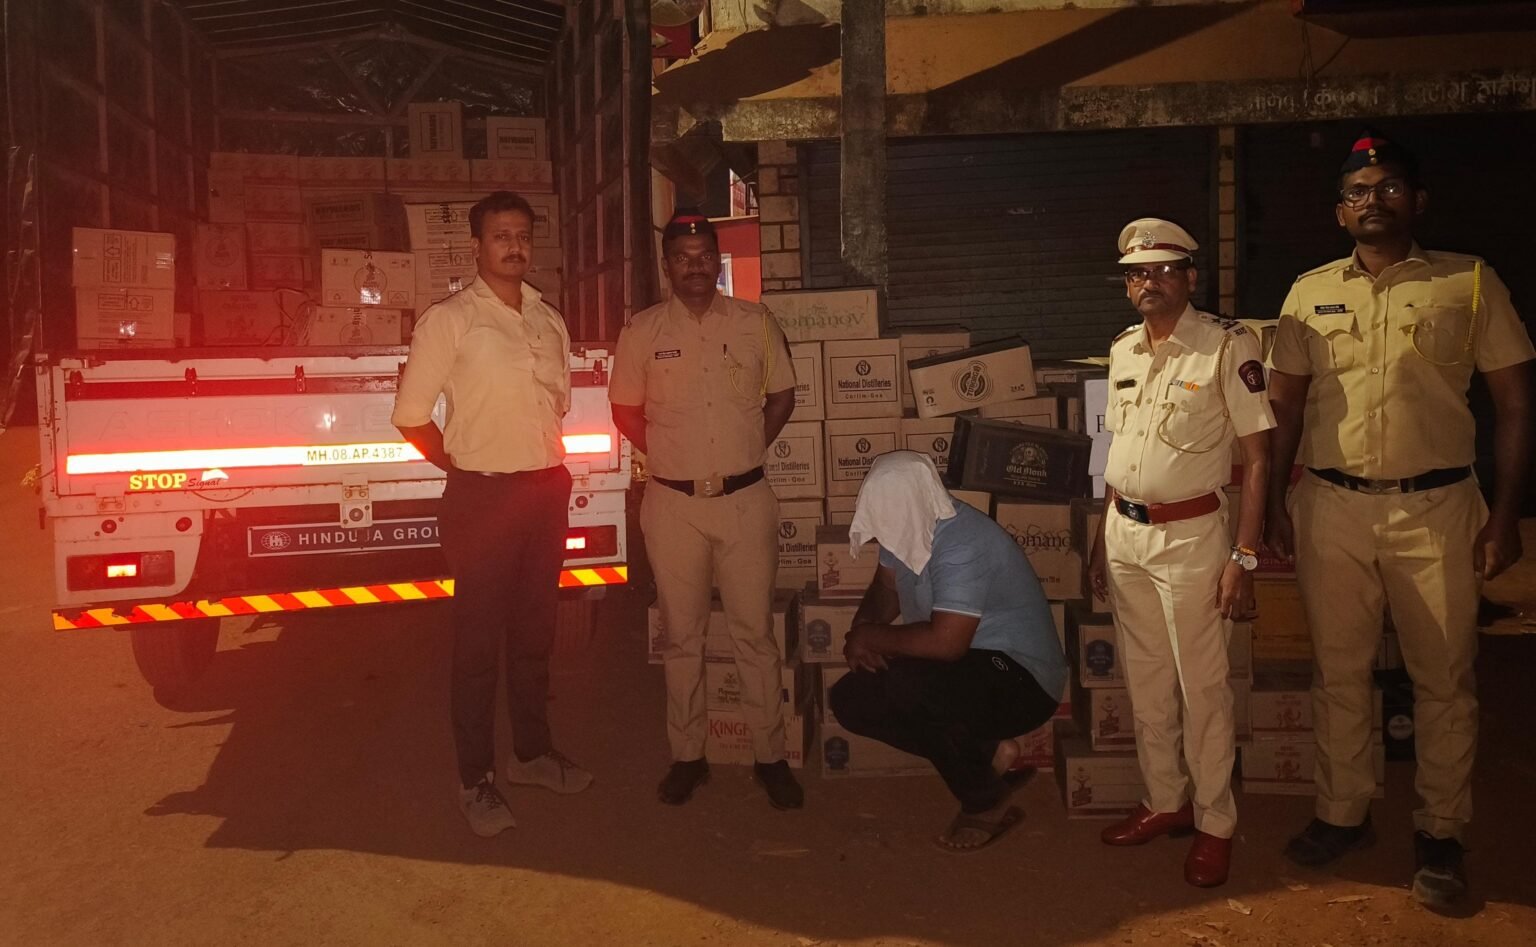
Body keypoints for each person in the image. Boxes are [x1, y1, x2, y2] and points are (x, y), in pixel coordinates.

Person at [1266, 131, 1533, 911]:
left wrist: (1505, 513)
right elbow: (1283, 407)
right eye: (1357, 191)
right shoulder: (1308, 292)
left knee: (1444, 678)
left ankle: (1441, 832)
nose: (1372, 201)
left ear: (1417, 200)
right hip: (1331, 509)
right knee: (1338, 672)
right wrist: (1276, 500)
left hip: (1437, 511)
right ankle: (1342, 811)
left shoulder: (1469, 282)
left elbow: (1516, 402)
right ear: (1339, 212)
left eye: (1387, 188)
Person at [392, 190, 592, 838]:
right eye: (501, 235)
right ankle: (474, 779)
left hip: (544, 491)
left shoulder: (547, 320)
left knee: (535, 634)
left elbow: (556, 403)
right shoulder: (450, 320)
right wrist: (460, 466)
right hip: (482, 497)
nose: (514, 245)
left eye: (523, 235)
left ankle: (531, 754)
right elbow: (411, 415)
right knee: (478, 646)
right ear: (476, 245)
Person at [1087, 218, 1274, 888]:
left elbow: (1258, 458)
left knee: (1202, 688)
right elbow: (1116, 449)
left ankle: (1215, 822)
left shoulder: (1225, 345)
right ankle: (1165, 799)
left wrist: (1244, 556)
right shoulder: (1123, 350)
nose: (1150, 282)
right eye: (1138, 273)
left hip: (1192, 539)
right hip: (1126, 533)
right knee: (1146, 681)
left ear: (1190, 277)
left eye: (1165, 270)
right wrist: (1099, 535)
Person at [609, 210, 803, 809]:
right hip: (673, 506)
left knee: (755, 635)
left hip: (746, 502)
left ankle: (771, 757)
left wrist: (743, 453)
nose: (694, 267)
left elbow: (782, 396)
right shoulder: (642, 332)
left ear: (717, 262)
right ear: (667, 265)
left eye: (703, 257)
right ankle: (688, 756)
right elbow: (624, 411)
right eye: (682, 258)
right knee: (682, 637)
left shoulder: (754, 322)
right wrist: (674, 456)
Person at [829, 451, 1067, 853]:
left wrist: (871, 637)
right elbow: (886, 588)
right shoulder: (904, 525)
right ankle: (986, 754)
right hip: (964, 673)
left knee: (910, 684)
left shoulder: (964, 542)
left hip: (1022, 680)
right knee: (851, 699)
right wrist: (862, 630)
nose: (881, 530)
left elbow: (946, 644)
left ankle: (985, 801)